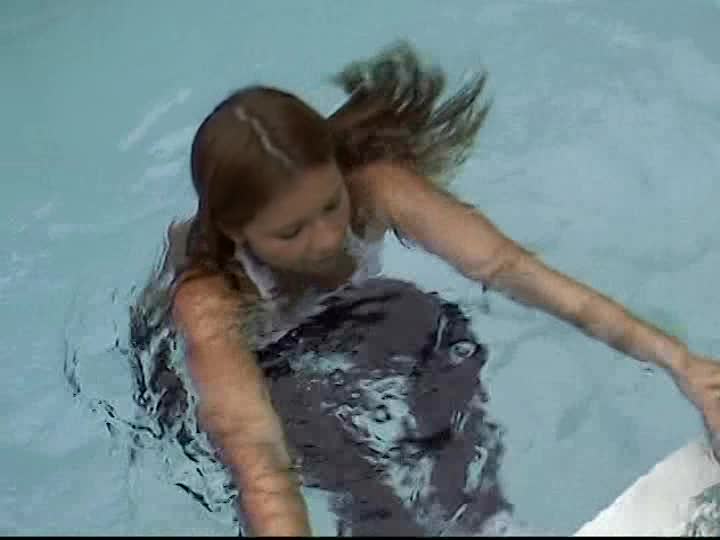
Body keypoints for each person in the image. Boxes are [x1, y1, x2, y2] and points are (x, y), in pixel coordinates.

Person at [135, 41, 720, 536]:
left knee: (427, 323)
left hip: (339, 324)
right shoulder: (210, 298)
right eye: (292, 232)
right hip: (251, 369)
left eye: (331, 205)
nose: (327, 238)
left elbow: (511, 268)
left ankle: (475, 517)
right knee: (334, 455)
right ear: (237, 232)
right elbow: (261, 463)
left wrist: (682, 363)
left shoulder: (376, 191)